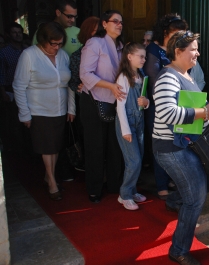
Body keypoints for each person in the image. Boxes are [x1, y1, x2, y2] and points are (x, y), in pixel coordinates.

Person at [153, 30, 209, 265]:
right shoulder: (168, 77)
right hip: (171, 148)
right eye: (193, 49)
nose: (197, 53)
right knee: (195, 198)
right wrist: (202, 113)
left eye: (196, 48)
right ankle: (179, 250)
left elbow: (201, 107)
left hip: (188, 144)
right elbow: (167, 113)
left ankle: (175, 201)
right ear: (178, 52)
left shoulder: (188, 74)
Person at [13, 21, 75, 201]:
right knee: (46, 147)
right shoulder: (29, 55)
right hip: (39, 109)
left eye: (59, 44)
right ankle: (52, 182)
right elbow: (19, 86)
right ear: (42, 40)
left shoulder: (63, 56)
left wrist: (71, 108)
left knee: (55, 146)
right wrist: (24, 113)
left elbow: (69, 84)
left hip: (60, 109)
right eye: (52, 44)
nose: (56, 47)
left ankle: (49, 176)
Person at [80, 10, 125, 203]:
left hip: (116, 102)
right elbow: (85, 74)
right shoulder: (94, 43)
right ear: (104, 24)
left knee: (114, 147)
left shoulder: (121, 46)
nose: (119, 24)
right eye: (115, 21)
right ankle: (94, 190)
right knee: (95, 147)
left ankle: (115, 185)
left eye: (121, 22)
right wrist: (110, 86)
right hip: (94, 101)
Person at [143, 13, 188, 200]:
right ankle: (161, 184)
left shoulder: (177, 49)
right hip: (159, 105)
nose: (180, 38)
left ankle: (171, 179)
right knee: (162, 144)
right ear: (165, 33)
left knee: (176, 142)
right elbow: (153, 78)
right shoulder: (153, 49)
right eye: (176, 34)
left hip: (179, 104)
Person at [115, 42, 150, 210]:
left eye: (144, 56)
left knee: (139, 157)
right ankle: (125, 195)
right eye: (141, 56)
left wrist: (147, 102)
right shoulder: (123, 76)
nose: (144, 59)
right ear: (129, 57)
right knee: (133, 160)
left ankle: (132, 189)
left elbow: (144, 101)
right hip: (128, 123)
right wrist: (125, 130)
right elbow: (120, 106)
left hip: (139, 121)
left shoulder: (141, 75)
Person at [68, 16, 99, 171]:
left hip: (108, 103)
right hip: (87, 104)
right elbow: (72, 81)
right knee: (90, 140)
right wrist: (79, 87)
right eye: (94, 32)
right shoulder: (76, 56)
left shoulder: (111, 52)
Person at [0, 22, 27, 153]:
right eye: (14, 32)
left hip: (28, 90)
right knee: (14, 121)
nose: (17, 35)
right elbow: (1, 74)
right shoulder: (4, 52)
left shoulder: (27, 50)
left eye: (19, 32)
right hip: (11, 90)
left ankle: (29, 148)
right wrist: (3, 93)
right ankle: (17, 150)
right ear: (8, 35)